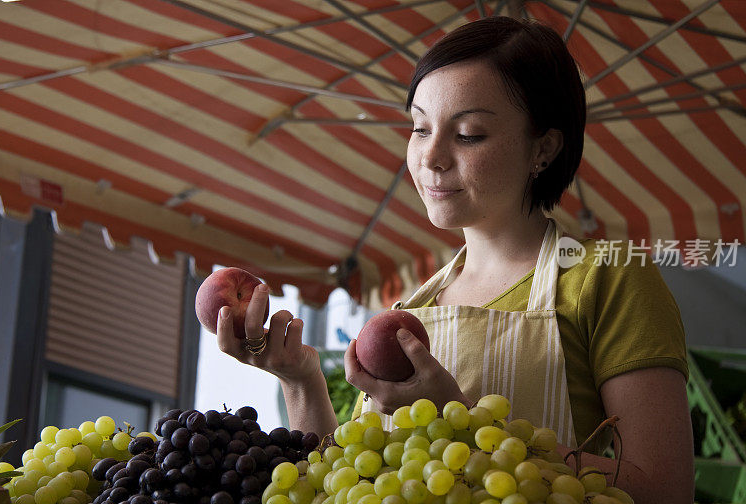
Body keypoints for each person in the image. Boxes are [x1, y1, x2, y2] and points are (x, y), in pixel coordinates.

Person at [216, 16, 694, 504]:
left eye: (468, 134)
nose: (432, 156)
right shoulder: (413, 307)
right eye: (421, 128)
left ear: (544, 149)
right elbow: (346, 480)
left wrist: (460, 415)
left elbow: (664, 489)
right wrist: (301, 380)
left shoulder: (607, 279)